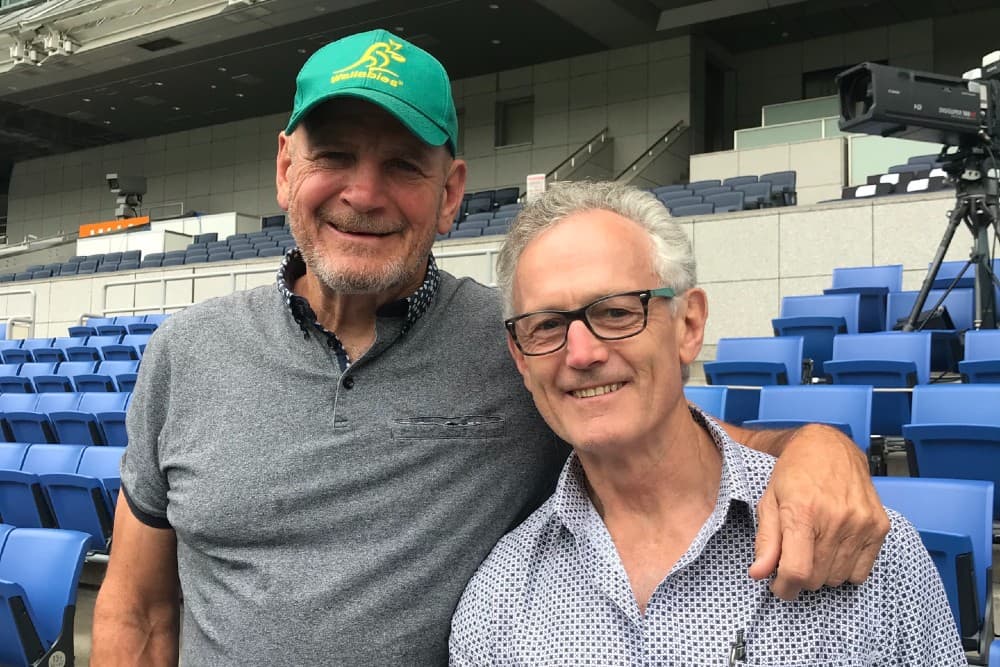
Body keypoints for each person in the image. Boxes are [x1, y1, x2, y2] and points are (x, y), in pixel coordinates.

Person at [92, 30, 889, 666]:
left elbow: (684, 441)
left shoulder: (529, 342)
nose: (363, 193)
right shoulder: (185, 352)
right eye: (333, 156)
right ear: (283, 168)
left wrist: (817, 446)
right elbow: (137, 609)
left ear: (451, 193)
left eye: (403, 164)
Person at [449, 180, 965, 666]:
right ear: (521, 358)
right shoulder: (497, 602)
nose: (581, 354)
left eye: (616, 313)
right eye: (546, 326)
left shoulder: (864, 549)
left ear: (689, 325)